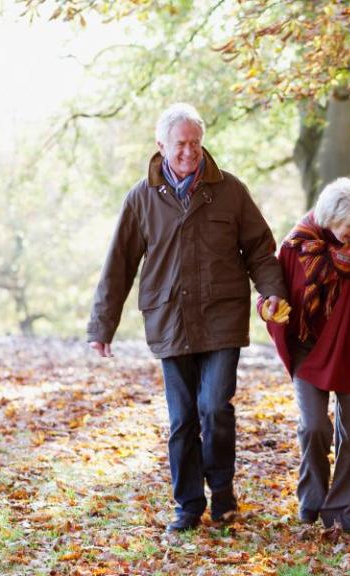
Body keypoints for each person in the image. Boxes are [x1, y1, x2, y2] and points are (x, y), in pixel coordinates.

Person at [87, 103, 290, 533]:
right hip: (169, 320)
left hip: (222, 318)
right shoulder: (141, 198)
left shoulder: (230, 191)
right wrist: (101, 326)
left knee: (215, 407)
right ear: (161, 146)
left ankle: (222, 494)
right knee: (182, 419)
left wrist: (271, 291)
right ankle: (188, 504)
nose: (189, 151)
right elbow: (119, 265)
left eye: (196, 143)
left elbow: (259, 249)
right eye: (180, 143)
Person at [263, 177, 350, 533]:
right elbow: (273, 294)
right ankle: (311, 500)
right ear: (328, 219)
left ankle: (341, 509)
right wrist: (269, 309)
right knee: (314, 427)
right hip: (309, 350)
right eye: (349, 226)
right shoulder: (295, 248)